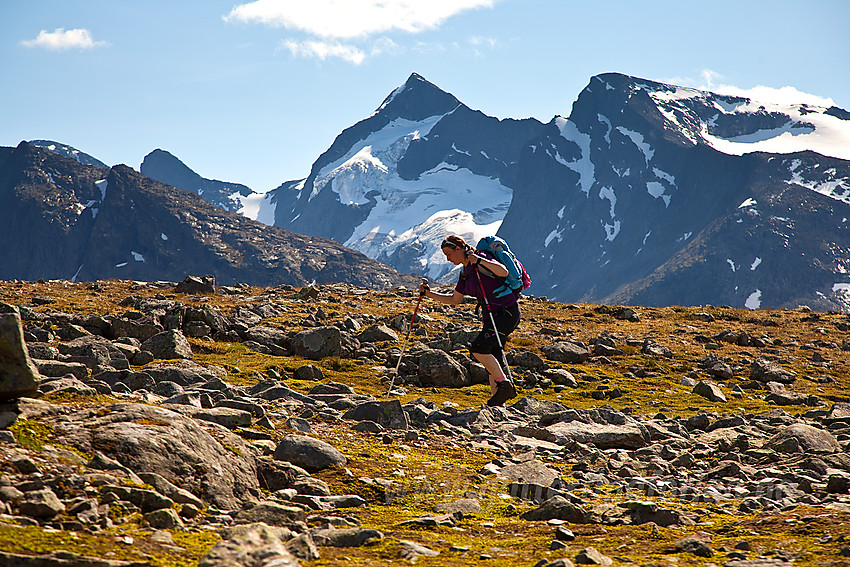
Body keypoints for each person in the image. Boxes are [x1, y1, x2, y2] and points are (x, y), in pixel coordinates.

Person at [419, 234, 520, 407]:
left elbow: (503, 271)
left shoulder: (481, 259)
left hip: (506, 313)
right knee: (493, 355)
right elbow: (454, 299)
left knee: (479, 348)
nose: (448, 259)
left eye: (449, 254)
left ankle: (505, 386)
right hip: (491, 317)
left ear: (459, 248)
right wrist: (428, 294)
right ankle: (498, 404)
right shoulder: (465, 273)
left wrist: (479, 261)